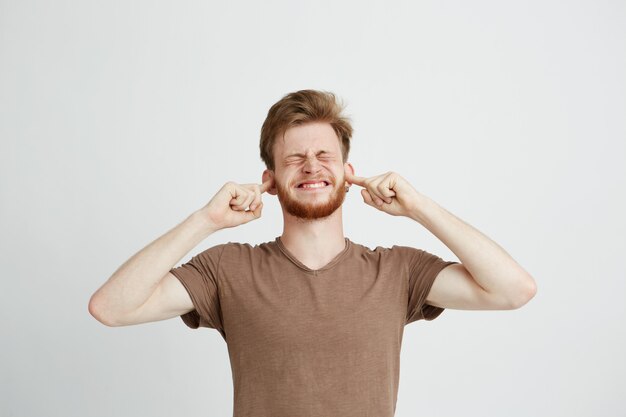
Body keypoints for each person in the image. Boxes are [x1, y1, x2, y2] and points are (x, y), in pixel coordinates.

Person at [88, 89, 537, 417]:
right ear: (269, 179)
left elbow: (514, 290)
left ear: (348, 172)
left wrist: (419, 207)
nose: (311, 167)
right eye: (294, 159)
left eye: (325, 155)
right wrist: (206, 220)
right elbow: (110, 308)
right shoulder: (228, 268)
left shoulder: (397, 270)